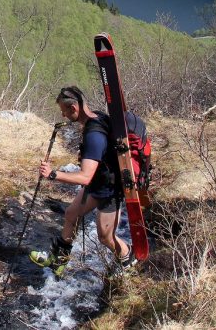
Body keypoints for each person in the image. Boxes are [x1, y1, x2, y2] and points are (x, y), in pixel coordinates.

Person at [29, 86, 137, 278]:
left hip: (110, 190)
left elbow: (84, 176)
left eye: (64, 111)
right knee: (71, 214)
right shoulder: (96, 116)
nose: (63, 116)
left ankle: (128, 258)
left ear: (74, 109)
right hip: (98, 184)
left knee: (106, 237)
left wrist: (53, 174)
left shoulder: (94, 136)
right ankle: (59, 262)